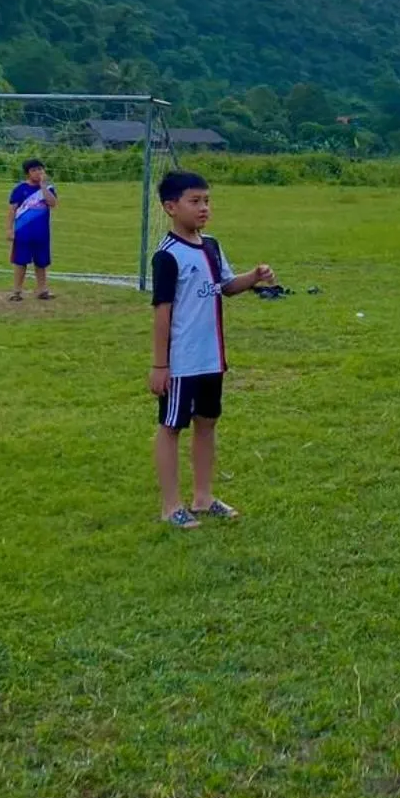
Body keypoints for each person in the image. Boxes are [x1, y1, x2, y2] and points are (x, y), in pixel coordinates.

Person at [149, 170, 273, 529]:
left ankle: (203, 497)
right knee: (171, 426)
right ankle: (171, 506)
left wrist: (253, 277)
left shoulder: (212, 246)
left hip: (211, 357)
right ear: (171, 207)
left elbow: (225, 287)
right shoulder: (167, 256)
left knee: (207, 423)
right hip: (181, 361)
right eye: (195, 201)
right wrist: (160, 365)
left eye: (206, 200)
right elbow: (162, 313)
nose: (204, 208)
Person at [7, 158, 57, 301]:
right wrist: (9, 229)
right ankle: (16, 291)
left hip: (41, 233)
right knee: (20, 262)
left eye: (40, 169)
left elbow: (52, 203)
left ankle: (42, 290)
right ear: (28, 173)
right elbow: (11, 210)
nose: (38, 173)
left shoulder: (48, 189)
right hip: (23, 232)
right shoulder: (20, 189)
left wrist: (43, 187)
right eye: (34, 170)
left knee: (41, 262)